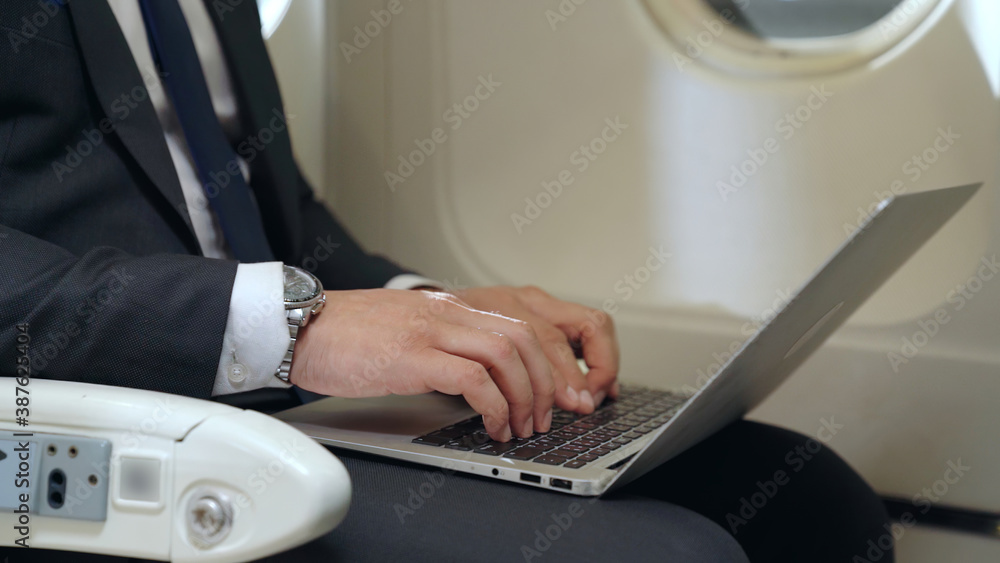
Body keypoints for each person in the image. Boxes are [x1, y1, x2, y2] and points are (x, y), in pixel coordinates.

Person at [0, 1, 892, 561]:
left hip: (291, 395)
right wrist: (298, 328)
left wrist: (434, 311)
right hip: (101, 430)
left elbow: (281, 216)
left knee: (811, 495)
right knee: (672, 551)